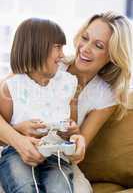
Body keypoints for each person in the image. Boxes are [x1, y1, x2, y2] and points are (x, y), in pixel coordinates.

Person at [0, 11, 132, 192]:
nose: (85, 48)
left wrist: (78, 142)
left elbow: (76, 146)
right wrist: (18, 138)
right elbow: (10, 91)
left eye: (98, 45)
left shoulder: (105, 95)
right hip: (16, 150)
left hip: (57, 158)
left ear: (113, 55)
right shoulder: (48, 62)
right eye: (85, 38)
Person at [0, 18, 88, 193]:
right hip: (17, 154)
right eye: (58, 47)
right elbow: (3, 135)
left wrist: (71, 132)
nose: (62, 55)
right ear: (36, 48)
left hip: (57, 155)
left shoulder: (68, 84)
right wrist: (18, 130)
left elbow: (71, 128)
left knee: (60, 187)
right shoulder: (11, 87)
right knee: (23, 186)